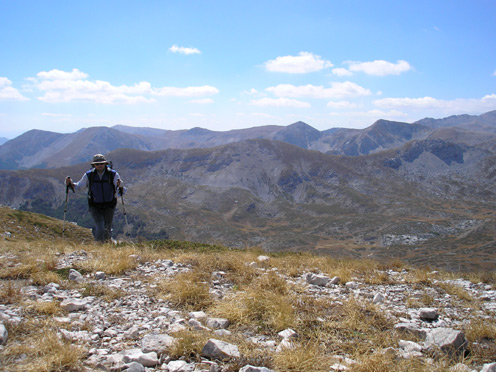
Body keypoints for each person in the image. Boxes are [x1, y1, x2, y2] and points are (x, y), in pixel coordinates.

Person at [66, 154, 124, 243]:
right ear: (94, 165)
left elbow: (119, 188)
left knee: (107, 227)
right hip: (95, 205)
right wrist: (70, 184)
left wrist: (120, 186)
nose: (100, 166)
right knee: (100, 226)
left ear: (105, 164)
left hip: (109, 205)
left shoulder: (113, 174)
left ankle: (107, 244)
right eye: (97, 164)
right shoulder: (89, 175)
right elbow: (79, 187)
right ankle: (99, 245)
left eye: (101, 163)